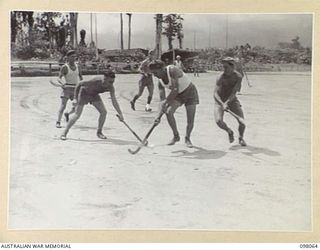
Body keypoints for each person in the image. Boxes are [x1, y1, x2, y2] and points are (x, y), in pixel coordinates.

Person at [60, 71, 124, 140]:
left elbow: (114, 101)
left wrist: (120, 113)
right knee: (77, 114)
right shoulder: (95, 80)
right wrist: (75, 98)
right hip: (84, 93)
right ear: (104, 79)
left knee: (104, 112)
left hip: (94, 95)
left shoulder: (111, 87)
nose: (111, 84)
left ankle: (99, 132)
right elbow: (79, 84)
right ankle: (64, 132)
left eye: (113, 82)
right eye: (110, 82)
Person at [149, 60, 199, 148]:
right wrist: (157, 116)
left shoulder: (172, 70)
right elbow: (162, 100)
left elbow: (175, 89)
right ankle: (176, 136)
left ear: (162, 69)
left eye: (155, 72)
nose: (154, 75)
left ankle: (187, 138)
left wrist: (166, 103)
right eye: (153, 73)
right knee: (169, 112)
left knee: (190, 119)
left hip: (190, 92)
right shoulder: (160, 82)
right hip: (178, 95)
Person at [213, 57, 247, 146]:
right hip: (219, 101)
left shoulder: (238, 77)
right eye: (223, 67)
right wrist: (222, 104)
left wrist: (227, 102)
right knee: (218, 121)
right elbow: (215, 94)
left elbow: (234, 92)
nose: (224, 69)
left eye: (226, 67)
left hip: (231, 100)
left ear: (233, 67)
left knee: (242, 122)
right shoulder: (220, 77)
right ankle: (229, 131)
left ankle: (241, 138)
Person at [56, 50, 83, 128]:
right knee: (63, 105)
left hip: (76, 89)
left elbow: (81, 77)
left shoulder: (78, 66)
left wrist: (82, 85)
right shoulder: (65, 67)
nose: (74, 58)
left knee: (77, 106)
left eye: (75, 57)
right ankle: (58, 121)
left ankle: (67, 114)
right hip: (67, 88)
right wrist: (62, 83)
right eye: (72, 57)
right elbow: (59, 78)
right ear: (67, 57)